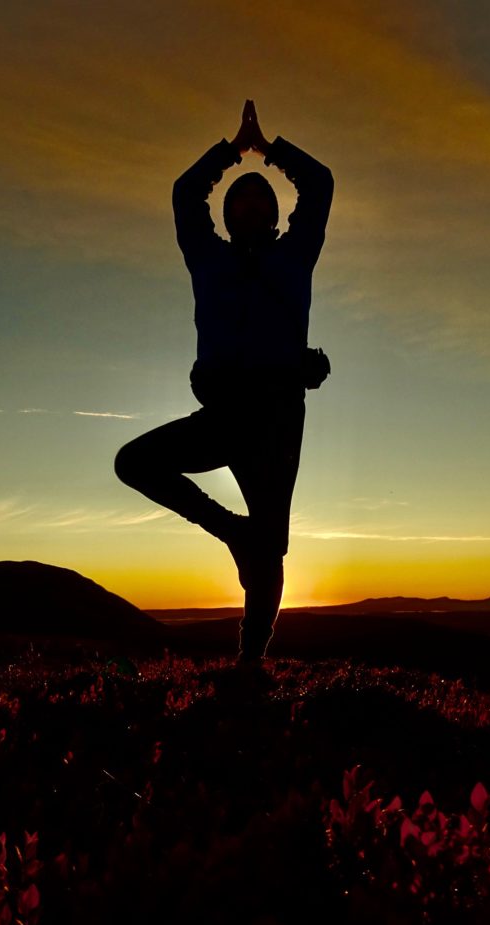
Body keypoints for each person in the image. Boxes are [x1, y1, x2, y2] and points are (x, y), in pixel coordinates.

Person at [114, 99, 333, 671]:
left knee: (271, 546)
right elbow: (186, 194)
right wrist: (233, 151)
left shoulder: (296, 257)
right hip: (224, 414)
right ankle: (230, 532)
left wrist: (270, 151)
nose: (251, 202)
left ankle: (249, 662)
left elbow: (320, 183)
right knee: (134, 462)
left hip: (278, 415)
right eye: (240, 197)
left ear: (275, 213)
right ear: (229, 214)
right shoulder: (206, 258)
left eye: (262, 197)